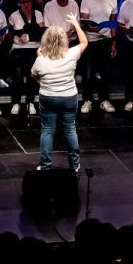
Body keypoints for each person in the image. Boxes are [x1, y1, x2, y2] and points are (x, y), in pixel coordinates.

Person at [31, 13, 88, 171]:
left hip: (48, 97)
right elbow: (84, 41)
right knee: (70, 129)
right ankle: (74, 164)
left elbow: (34, 75)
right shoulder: (72, 54)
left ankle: (45, 165)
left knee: (47, 130)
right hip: (69, 97)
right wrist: (75, 23)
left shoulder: (41, 59)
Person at [79, 0, 117, 113]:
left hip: (106, 39)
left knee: (105, 73)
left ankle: (104, 100)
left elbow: (113, 23)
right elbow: (83, 21)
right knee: (89, 73)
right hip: (91, 40)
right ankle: (87, 100)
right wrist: (90, 28)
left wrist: (114, 43)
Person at [7, 0, 44, 115]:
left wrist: (30, 35)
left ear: (32, 2)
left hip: (34, 48)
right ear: (19, 3)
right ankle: (16, 102)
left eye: (28, 2)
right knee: (17, 76)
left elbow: (41, 32)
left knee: (32, 76)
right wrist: (17, 39)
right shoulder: (14, 16)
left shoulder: (38, 14)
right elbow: (10, 32)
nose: (26, 5)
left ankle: (31, 102)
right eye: (23, 2)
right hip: (19, 49)